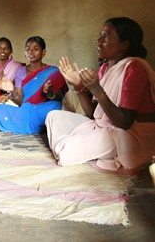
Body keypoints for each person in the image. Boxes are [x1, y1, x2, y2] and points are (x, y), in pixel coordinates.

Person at [46, 17, 155, 174]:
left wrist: (97, 89)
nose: (99, 40)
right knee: (53, 116)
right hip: (106, 127)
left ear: (125, 44)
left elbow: (125, 122)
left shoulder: (134, 68)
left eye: (106, 36)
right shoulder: (105, 68)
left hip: (132, 134)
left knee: (66, 153)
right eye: (100, 35)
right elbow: (94, 114)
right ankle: (88, 147)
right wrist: (78, 87)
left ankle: (83, 146)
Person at [0, 36, 68, 134]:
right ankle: (38, 125)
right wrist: (11, 88)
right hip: (25, 109)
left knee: (56, 107)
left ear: (43, 52)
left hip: (42, 109)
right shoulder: (20, 71)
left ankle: (22, 123)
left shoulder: (53, 72)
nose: (30, 52)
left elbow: (60, 99)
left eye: (35, 49)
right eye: (27, 49)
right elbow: (20, 101)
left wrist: (50, 92)